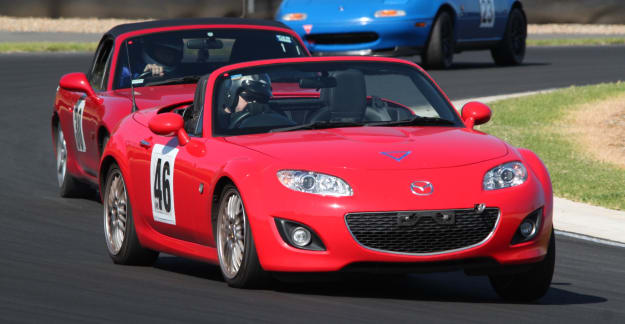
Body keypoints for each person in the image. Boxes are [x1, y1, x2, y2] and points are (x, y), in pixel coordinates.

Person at [118, 36, 183, 88]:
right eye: (164, 51)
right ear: (150, 50)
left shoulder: (183, 77)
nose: (168, 56)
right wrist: (144, 77)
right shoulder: (128, 69)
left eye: (173, 53)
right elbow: (120, 83)